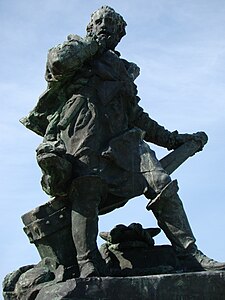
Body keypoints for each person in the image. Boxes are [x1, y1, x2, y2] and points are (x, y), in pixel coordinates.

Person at [21, 6, 225, 278]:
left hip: (124, 145)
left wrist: (174, 140)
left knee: (161, 182)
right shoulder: (77, 51)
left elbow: (136, 116)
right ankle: (87, 262)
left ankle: (190, 254)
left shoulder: (122, 70)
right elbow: (57, 63)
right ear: (90, 28)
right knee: (86, 189)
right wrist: (92, 44)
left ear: (120, 35)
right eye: (99, 22)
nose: (104, 25)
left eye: (111, 24)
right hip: (84, 134)